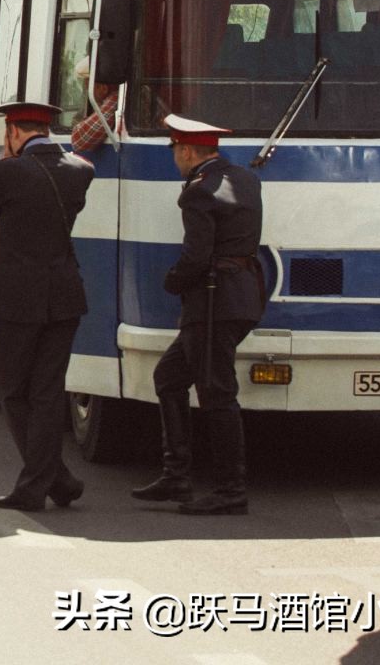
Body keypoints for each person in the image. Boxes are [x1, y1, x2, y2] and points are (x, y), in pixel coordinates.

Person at [0, 101, 95, 512]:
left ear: (13, 132)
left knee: (12, 388)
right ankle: (56, 479)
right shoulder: (81, 170)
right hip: (64, 295)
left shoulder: (9, 171)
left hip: (17, 299)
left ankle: (38, 483)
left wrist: (2, 166)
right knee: (48, 390)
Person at [132, 115, 266, 517]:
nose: (175, 157)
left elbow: (197, 255)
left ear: (188, 150)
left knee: (217, 392)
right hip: (242, 296)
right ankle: (177, 475)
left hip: (212, 302)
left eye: (176, 150)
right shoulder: (246, 179)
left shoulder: (196, 193)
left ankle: (230, 489)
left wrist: (173, 281)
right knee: (170, 377)